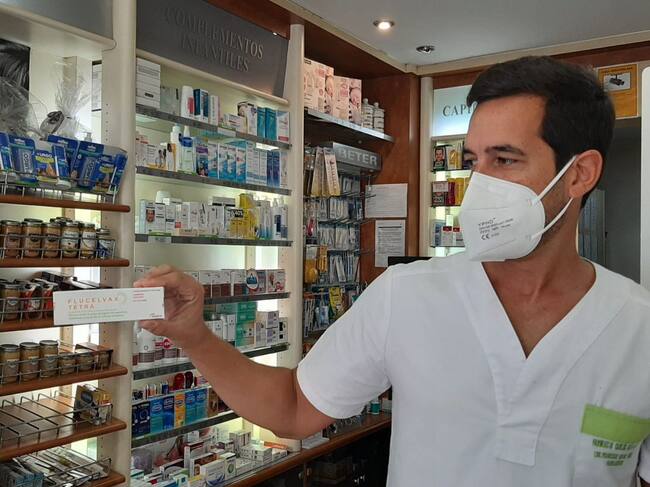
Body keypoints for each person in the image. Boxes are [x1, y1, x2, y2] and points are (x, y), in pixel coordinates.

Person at [135, 56, 650, 486]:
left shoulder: (639, 327)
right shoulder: (408, 294)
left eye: (505, 160)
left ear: (579, 174)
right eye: (474, 160)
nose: (480, 185)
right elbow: (292, 407)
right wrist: (195, 336)